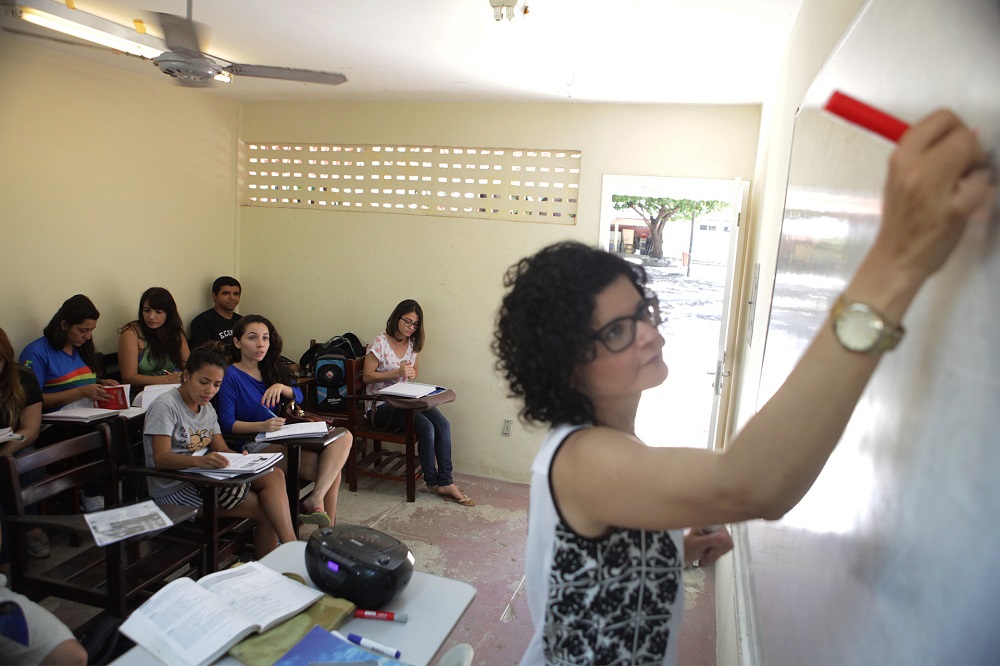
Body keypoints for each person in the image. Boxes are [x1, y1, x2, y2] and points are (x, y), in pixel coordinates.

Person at [492, 110, 995, 665]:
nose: (649, 335)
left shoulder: (600, 446)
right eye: (616, 331)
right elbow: (754, 485)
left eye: (642, 312)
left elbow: (587, 560)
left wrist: (672, 551)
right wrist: (896, 256)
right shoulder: (584, 458)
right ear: (565, 367)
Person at [143, 345, 297, 557]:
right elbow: (160, 459)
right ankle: (287, 557)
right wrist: (200, 462)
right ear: (187, 375)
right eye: (204, 382)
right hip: (174, 490)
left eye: (217, 385)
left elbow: (221, 449)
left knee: (274, 474)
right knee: (265, 510)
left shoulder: (206, 407)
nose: (210, 391)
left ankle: (291, 547)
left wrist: (243, 459)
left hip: (203, 479)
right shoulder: (166, 406)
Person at [216, 315, 352, 526]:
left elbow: (299, 396)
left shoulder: (270, 367)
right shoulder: (230, 375)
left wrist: (283, 388)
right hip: (254, 443)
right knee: (331, 474)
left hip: (283, 436)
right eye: (252, 338)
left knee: (344, 437)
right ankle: (326, 529)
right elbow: (226, 422)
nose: (260, 344)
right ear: (237, 342)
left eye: (265, 338)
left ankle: (318, 506)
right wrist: (261, 426)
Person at [363, 299, 471, 506]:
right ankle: (432, 482)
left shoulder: (413, 344)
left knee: (443, 425)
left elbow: (414, 371)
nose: (411, 328)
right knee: (426, 428)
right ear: (397, 318)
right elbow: (367, 377)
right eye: (407, 321)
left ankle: (446, 480)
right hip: (380, 405)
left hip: (405, 400)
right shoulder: (380, 342)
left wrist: (411, 373)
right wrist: (396, 372)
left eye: (415, 324)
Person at [18, 295, 117, 413]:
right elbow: (30, 400)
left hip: (91, 413)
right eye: (83, 330)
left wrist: (100, 384)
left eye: (92, 330)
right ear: (64, 325)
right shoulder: (35, 353)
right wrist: (80, 392)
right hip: (58, 423)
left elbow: (75, 381)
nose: (88, 336)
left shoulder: (82, 347)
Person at [0, 328, 48, 561]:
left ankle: (33, 527)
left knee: (28, 458)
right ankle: (6, 559)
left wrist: (3, 455)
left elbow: (30, 430)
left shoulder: (23, 378)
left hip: (12, 445)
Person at [117, 287, 189, 394]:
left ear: (168, 314)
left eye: (158, 312)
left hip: (174, 392)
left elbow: (189, 366)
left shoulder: (175, 331)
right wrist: (167, 380)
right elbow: (129, 377)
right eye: (146, 310)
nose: (151, 316)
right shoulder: (131, 332)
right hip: (143, 396)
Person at [189, 276, 242, 348]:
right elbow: (203, 355)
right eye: (226, 293)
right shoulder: (202, 322)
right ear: (214, 296)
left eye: (236, 294)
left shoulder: (243, 321)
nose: (232, 298)